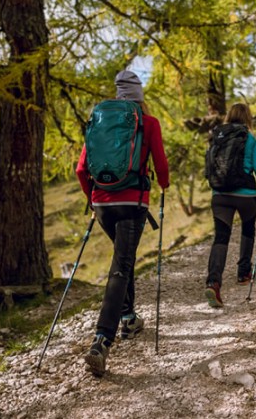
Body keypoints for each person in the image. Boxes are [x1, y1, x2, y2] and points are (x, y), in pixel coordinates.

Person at [75, 69, 169, 376]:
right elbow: (161, 163)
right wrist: (163, 184)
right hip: (132, 203)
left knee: (122, 258)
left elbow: (80, 169)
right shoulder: (148, 122)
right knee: (121, 265)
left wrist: (93, 197)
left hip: (102, 203)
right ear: (140, 96)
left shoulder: (101, 121)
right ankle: (101, 340)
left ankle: (128, 318)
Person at [204, 103, 256, 308]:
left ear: (229, 116)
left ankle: (213, 282)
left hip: (220, 194)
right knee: (248, 230)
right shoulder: (254, 138)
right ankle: (243, 274)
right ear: (248, 117)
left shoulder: (217, 136)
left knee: (221, 237)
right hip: (246, 195)